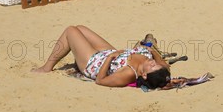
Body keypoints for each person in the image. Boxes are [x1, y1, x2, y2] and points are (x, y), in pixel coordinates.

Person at [32, 25, 171, 89]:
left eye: (152, 66)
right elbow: (164, 65)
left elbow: (100, 80)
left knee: (71, 31)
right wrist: (151, 50)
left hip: (94, 63)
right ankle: (78, 53)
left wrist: (110, 57)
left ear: (145, 75)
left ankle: (47, 67)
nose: (153, 62)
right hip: (108, 54)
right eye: (155, 63)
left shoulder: (129, 72)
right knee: (80, 28)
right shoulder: (152, 62)